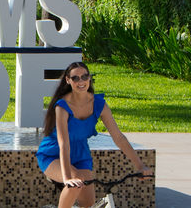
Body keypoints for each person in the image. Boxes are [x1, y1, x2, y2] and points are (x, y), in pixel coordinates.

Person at [36, 61, 151, 208]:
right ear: (68, 80)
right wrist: (67, 178)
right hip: (54, 154)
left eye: (84, 76)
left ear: (89, 78)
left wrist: (140, 166)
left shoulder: (99, 104)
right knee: (75, 183)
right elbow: (63, 144)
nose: (81, 81)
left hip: (81, 155)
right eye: (75, 78)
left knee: (89, 205)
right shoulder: (62, 106)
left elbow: (119, 137)